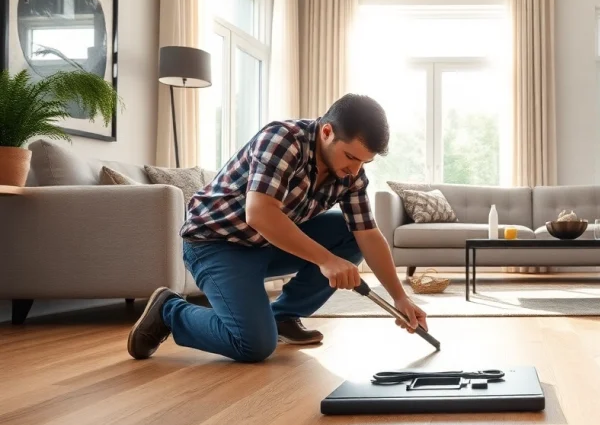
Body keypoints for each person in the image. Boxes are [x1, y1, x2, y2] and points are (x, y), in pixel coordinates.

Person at [127, 94, 427, 362]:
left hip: (266, 246)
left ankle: (282, 316)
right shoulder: (283, 139)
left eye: (365, 162)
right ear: (326, 131)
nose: (355, 170)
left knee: (350, 234)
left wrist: (400, 297)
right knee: (254, 345)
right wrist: (326, 259)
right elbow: (260, 214)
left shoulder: (350, 176)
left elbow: (368, 236)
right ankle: (170, 310)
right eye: (350, 157)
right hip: (216, 244)